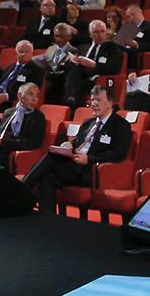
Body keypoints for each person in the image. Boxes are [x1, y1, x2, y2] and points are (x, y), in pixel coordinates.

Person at [21, 84, 128, 214]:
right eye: (92, 100)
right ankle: (47, 219)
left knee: (50, 158)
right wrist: (68, 146)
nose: (93, 104)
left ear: (110, 103)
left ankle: (21, 191)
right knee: (48, 177)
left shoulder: (120, 125)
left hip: (91, 170)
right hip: (74, 165)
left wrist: (89, 159)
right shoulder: (88, 122)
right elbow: (77, 142)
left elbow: (118, 154)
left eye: (98, 100)